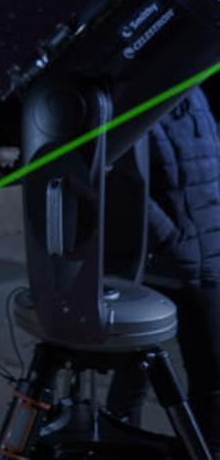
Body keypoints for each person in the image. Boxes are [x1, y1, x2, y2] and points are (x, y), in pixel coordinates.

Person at [106, 87, 220, 456]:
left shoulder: (197, 95)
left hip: (208, 258)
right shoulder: (139, 94)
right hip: (159, 268)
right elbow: (125, 184)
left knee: (211, 378)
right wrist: (172, 239)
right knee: (132, 378)